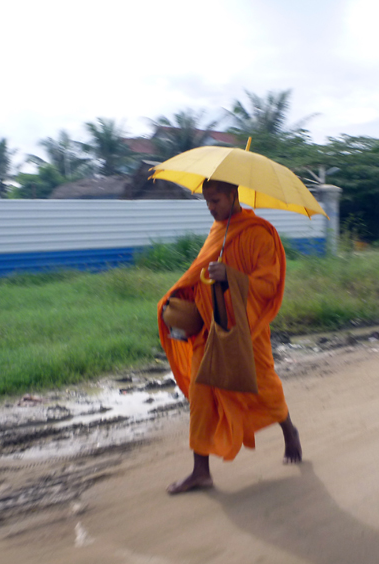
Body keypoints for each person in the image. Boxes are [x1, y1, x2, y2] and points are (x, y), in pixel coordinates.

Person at [158, 179, 302, 495]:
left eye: (216, 200)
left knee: (263, 386)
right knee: (201, 395)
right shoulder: (217, 232)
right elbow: (200, 273)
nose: (211, 207)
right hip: (210, 329)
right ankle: (200, 471)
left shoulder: (259, 232)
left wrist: (233, 277)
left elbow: (268, 283)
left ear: (233, 195)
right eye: (207, 201)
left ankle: (289, 431)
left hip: (246, 328)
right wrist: (181, 300)